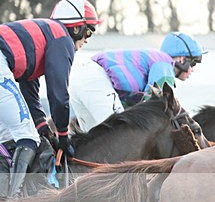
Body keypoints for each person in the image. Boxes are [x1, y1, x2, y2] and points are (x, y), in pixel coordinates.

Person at [0, 0, 100, 198]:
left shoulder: (40, 38)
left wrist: (44, 129)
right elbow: (59, 94)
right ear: (75, 28)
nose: (88, 38)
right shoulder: (61, 37)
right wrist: (63, 135)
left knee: (7, 136)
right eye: (88, 30)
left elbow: (30, 92)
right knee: (26, 136)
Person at [70, 32, 205, 131]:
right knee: (119, 136)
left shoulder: (155, 60)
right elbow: (158, 105)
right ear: (182, 59)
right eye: (193, 64)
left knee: (90, 145)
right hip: (96, 80)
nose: (192, 70)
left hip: (79, 77)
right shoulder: (165, 63)